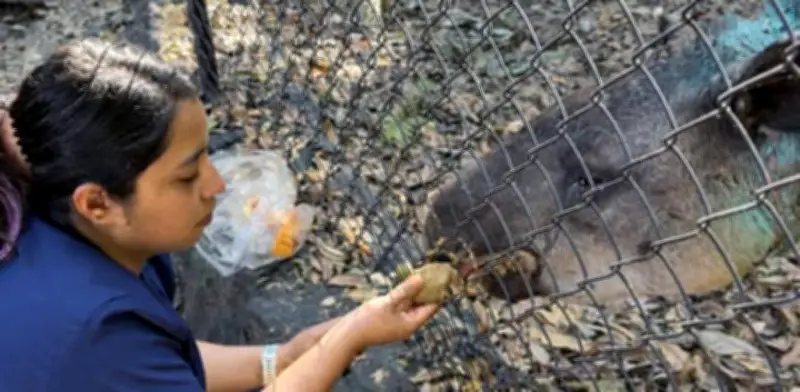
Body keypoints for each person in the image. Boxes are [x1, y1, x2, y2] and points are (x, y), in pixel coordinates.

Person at [0, 38, 440, 392]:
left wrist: (283, 358)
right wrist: (348, 337)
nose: (217, 185)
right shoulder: (95, 333)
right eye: (187, 175)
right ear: (97, 204)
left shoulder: (68, 229)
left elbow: (159, 367)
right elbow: (125, 360)